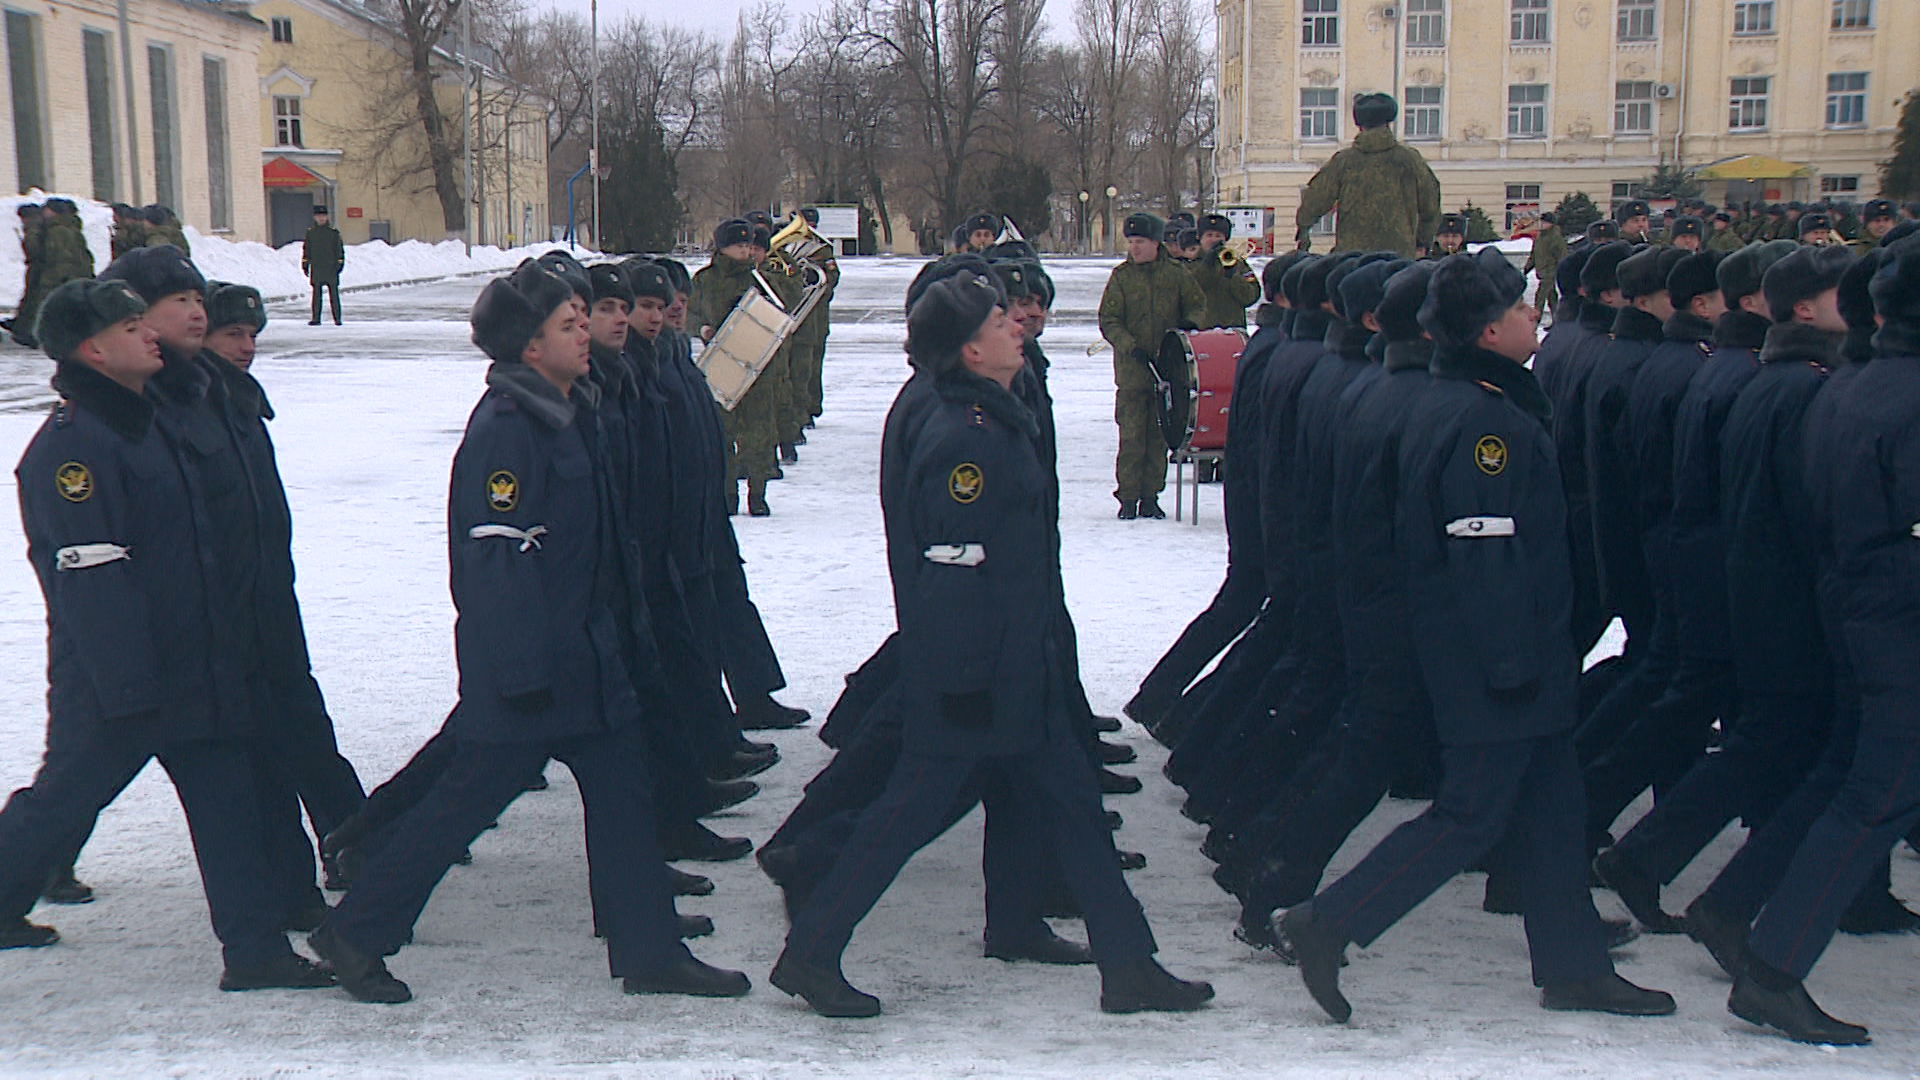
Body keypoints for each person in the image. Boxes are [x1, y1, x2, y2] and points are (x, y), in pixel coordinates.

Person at [768, 269, 1213, 1019]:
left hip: (1010, 664)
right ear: (970, 351)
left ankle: (1129, 964)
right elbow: (950, 572)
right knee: (903, 817)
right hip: (977, 673)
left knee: (1070, 809)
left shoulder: (979, 411)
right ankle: (810, 951)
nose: (1016, 324)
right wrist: (973, 677)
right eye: (997, 320)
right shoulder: (959, 437)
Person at [307, 263, 751, 1004]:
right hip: (533, 669)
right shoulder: (508, 433)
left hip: (587, 657)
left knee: (622, 796)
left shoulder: (573, 411)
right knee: (459, 808)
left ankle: (648, 949)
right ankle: (355, 931)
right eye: (568, 325)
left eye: (584, 321)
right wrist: (521, 673)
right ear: (529, 346)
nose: (585, 333)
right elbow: (497, 564)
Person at [1278, 247, 1677, 1024]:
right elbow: (1482, 552)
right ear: (1490, 330)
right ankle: (1329, 922)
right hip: (1497, 659)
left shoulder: (1476, 398)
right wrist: (1512, 663)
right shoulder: (1483, 420)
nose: (1538, 319)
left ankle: (1574, 965)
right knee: (1470, 815)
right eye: (1526, 310)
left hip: (1520, 654)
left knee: (1554, 815)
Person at [0, 278, 335, 991]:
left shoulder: (153, 419)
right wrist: (132, 688)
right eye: (129, 325)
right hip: (120, 677)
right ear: (93, 350)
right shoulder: (73, 447)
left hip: (194, 661)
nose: (149, 332)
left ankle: (255, 953)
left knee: (228, 801)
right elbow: (92, 581)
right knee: (63, 801)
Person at [1127, 253, 1308, 730]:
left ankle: (1166, 700)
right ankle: (1179, 707)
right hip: (1260, 501)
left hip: (1253, 497)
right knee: (1246, 605)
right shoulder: (1276, 349)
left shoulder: (1267, 343)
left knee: (1241, 605)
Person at [1097, 212, 1206, 519]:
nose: (1136, 248)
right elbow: (1109, 319)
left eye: (1141, 242)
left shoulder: (1176, 275)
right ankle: (1128, 497)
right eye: (1131, 242)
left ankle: (1151, 496)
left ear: (1156, 243)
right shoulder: (1122, 278)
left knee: (1158, 438)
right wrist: (1130, 346)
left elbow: (1197, 304)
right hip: (1133, 374)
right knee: (1132, 438)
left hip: (1167, 371)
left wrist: (1189, 325)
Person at [691, 219, 784, 516]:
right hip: (721, 364)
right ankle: (727, 491)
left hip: (757, 364)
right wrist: (702, 329)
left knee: (759, 432)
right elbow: (688, 313)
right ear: (723, 248)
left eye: (748, 246)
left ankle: (758, 492)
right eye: (739, 246)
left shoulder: (761, 279)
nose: (746, 251)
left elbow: (782, 314)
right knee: (722, 431)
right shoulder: (705, 280)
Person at [1295, 93, 1441, 257]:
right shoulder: (1409, 159)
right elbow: (1430, 204)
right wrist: (1422, 241)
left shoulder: (1344, 161)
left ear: (1359, 125)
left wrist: (1303, 231)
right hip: (1397, 258)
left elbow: (1315, 199)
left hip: (1352, 259)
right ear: (1389, 122)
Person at [1188, 213, 1261, 330]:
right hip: (1201, 332)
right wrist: (1207, 265)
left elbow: (1250, 297)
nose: (1213, 240)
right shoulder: (1190, 263)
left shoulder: (1238, 263)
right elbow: (1190, 292)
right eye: (1209, 235)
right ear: (1200, 238)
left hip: (1233, 331)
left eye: (1218, 236)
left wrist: (1233, 277)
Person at [303, 206, 344, 326]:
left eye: (323, 216)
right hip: (317, 267)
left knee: (334, 295)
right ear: (315, 217)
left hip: (331, 267)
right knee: (316, 295)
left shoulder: (333, 233)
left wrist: (339, 263)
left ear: (327, 217)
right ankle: (316, 318)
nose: (321, 218)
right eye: (318, 216)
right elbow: (307, 249)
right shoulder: (311, 233)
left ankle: (337, 318)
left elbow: (339, 250)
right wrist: (305, 263)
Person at [1524, 212, 1566, 313]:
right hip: (1542, 271)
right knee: (1551, 297)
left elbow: (1562, 255)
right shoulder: (1539, 237)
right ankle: (1557, 320)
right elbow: (1534, 255)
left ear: (1551, 224)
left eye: (1544, 222)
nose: (1541, 224)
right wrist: (1527, 268)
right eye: (1541, 221)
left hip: (1550, 272)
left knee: (1540, 296)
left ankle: (1536, 319)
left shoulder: (1555, 237)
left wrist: (1561, 270)